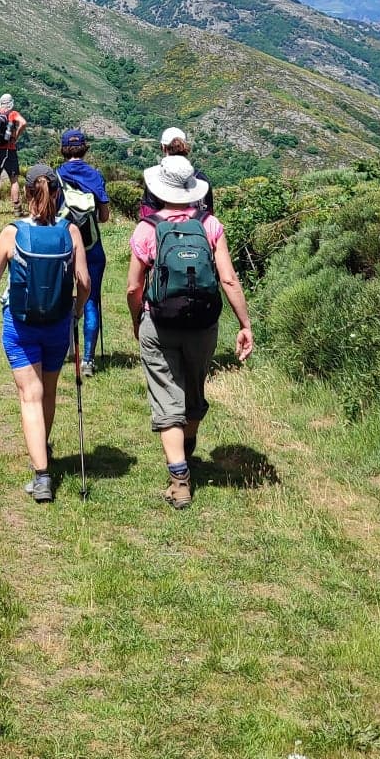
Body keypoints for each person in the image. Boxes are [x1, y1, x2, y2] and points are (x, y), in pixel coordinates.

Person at [126, 154, 253, 510]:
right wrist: (245, 324)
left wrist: (138, 319)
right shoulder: (211, 225)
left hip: (160, 321)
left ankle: (179, 479)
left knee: (167, 398)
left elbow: (134, 288)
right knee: (194, 394)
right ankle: (188, 457)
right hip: (203, 324)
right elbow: (228, 278)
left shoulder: (146, 229)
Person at [0, 165, 89, 503]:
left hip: (21, 323)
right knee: (49, 391)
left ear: (27, 194)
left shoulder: (12, 232)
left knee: (31, 394)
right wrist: (76, 309)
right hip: (58, 322)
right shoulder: (71, 232)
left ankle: (42, 476)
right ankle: (42, 450)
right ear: (57, 194)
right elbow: (84, 283)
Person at [55, 129, 112, 376]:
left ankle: (61, 349)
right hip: (92, 247)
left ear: (64, 149)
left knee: (60, 296)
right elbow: (105, 216)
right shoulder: (95, 176)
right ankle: (87, 359)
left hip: (63, 246)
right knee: (91, 299)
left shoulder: (55, 175)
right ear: (85, 148)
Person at [136, 126, 214, 222]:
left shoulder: (156, 179)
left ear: (163, 147)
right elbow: (209, 214)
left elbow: (148, 216)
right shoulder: (201, 179)